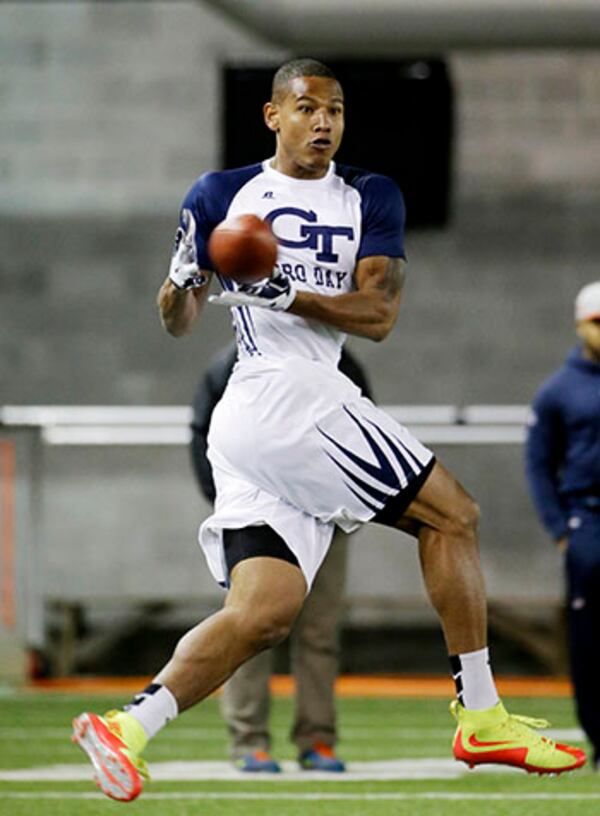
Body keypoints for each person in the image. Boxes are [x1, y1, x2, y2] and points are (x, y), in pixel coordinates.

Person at [71, 57, 586, 802]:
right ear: (273, 116)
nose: (324, 123)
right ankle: (482, 714)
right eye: (308, 108)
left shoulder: (371, 195)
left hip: (264, 419)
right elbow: (180, 323)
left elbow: (377, 316)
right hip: (286, 398)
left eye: (336, 111)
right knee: (456, 516)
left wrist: (286, 292)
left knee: (263, 613)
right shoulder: (220, 194)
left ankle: (129, 727)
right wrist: (182, 279)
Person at [190, 343, 373, 772]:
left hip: (326, 516)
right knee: (250, 627)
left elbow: (367, 433)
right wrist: (227, 499)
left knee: (319, 633)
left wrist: (356, 501)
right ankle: (248, 740)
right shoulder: (228, 366)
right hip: (259, 515)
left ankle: (317, 739)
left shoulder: (340, 363)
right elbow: (202, 433)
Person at [525, 281, 600, 771]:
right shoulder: (558, 390)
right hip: (589, 519)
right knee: (591, 637)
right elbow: (538, 464)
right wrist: (560, 528)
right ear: (580, 324)